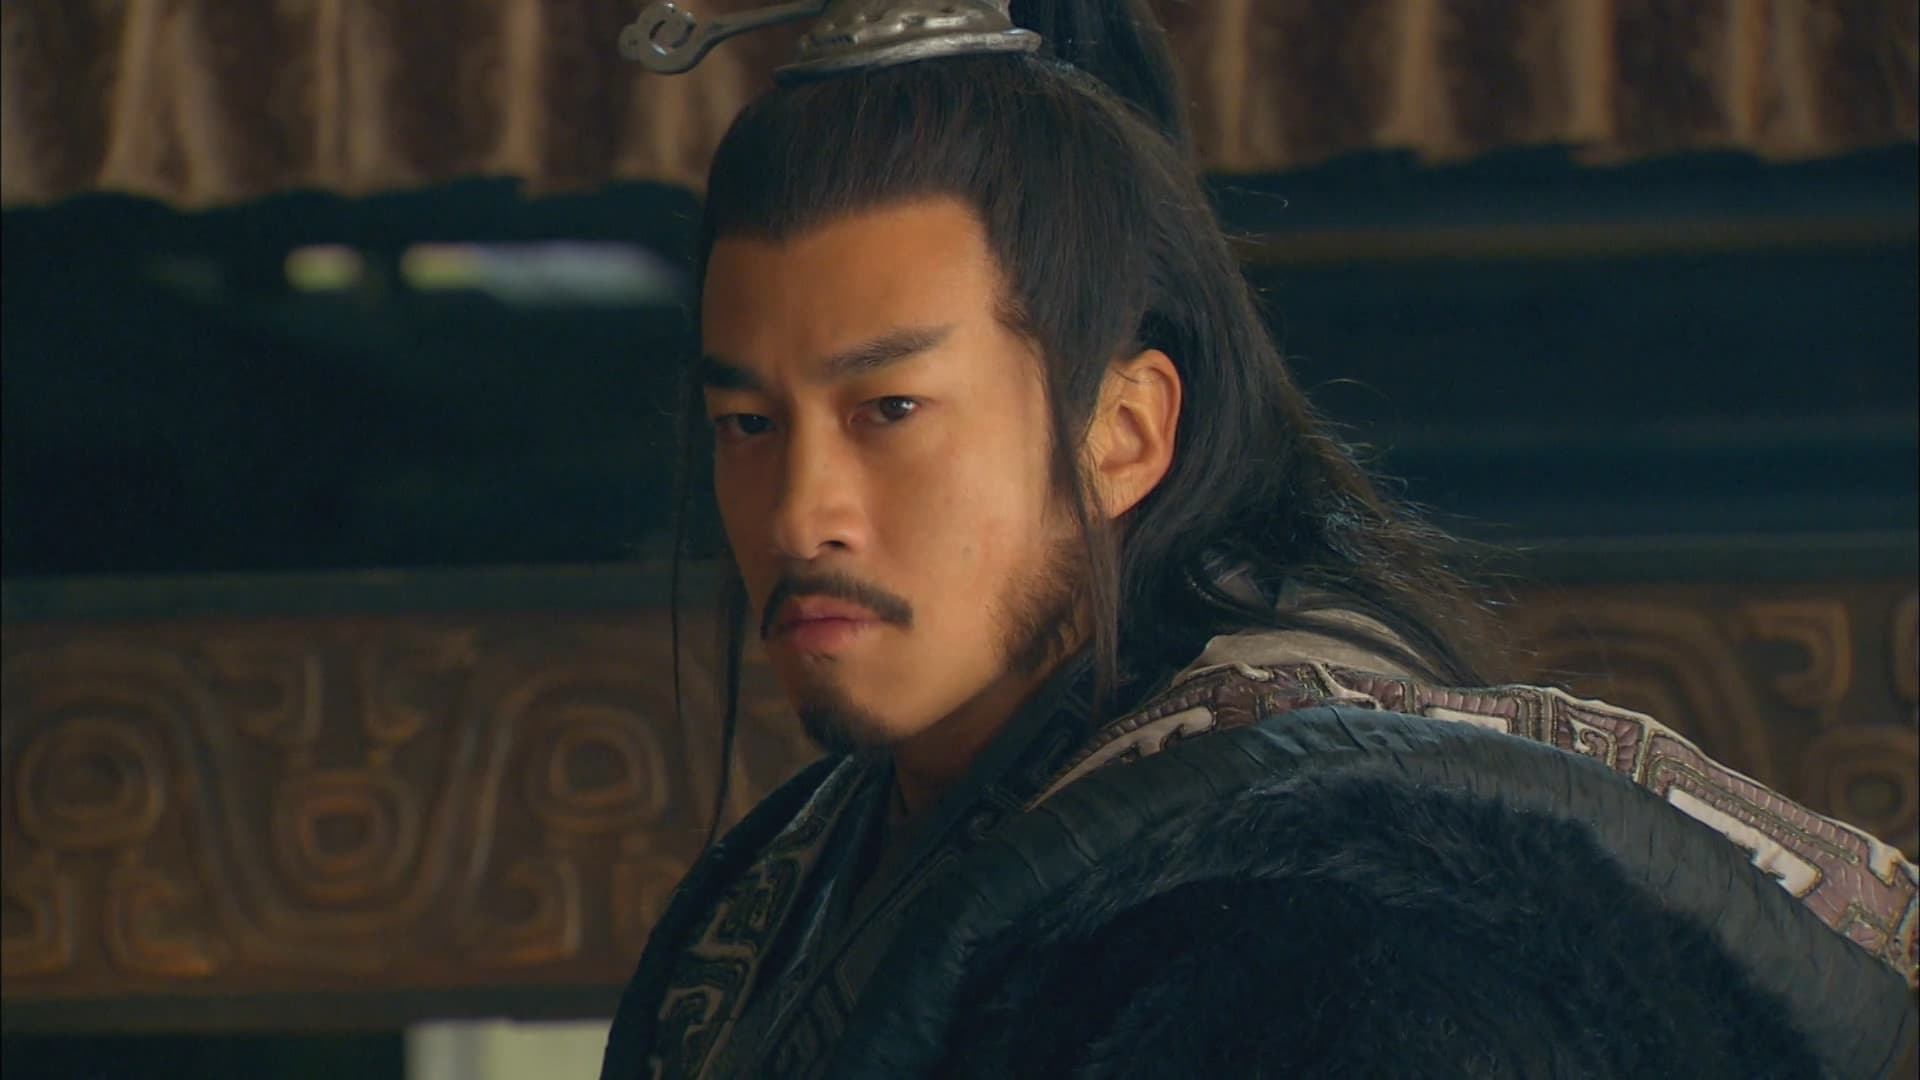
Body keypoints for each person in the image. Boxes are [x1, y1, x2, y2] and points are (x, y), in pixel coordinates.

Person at [602, 2, 1919, 1076]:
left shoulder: (1340, 927)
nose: (799, 513)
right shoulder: (795, 877)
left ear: (1123, 432)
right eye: (747, 423)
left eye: (889, 411)